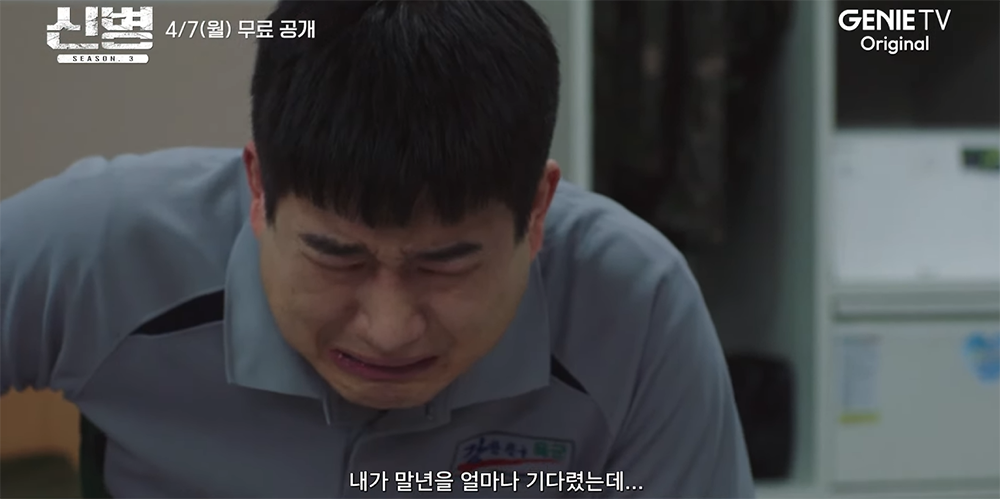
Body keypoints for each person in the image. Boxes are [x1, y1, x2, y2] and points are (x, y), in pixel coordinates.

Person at [0, 0, 754, 497]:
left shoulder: (637, 305)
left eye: (447, 261)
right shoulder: (104, 245)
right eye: (337, 255)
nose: (389, 331)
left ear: (536, 210)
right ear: (258, 186)